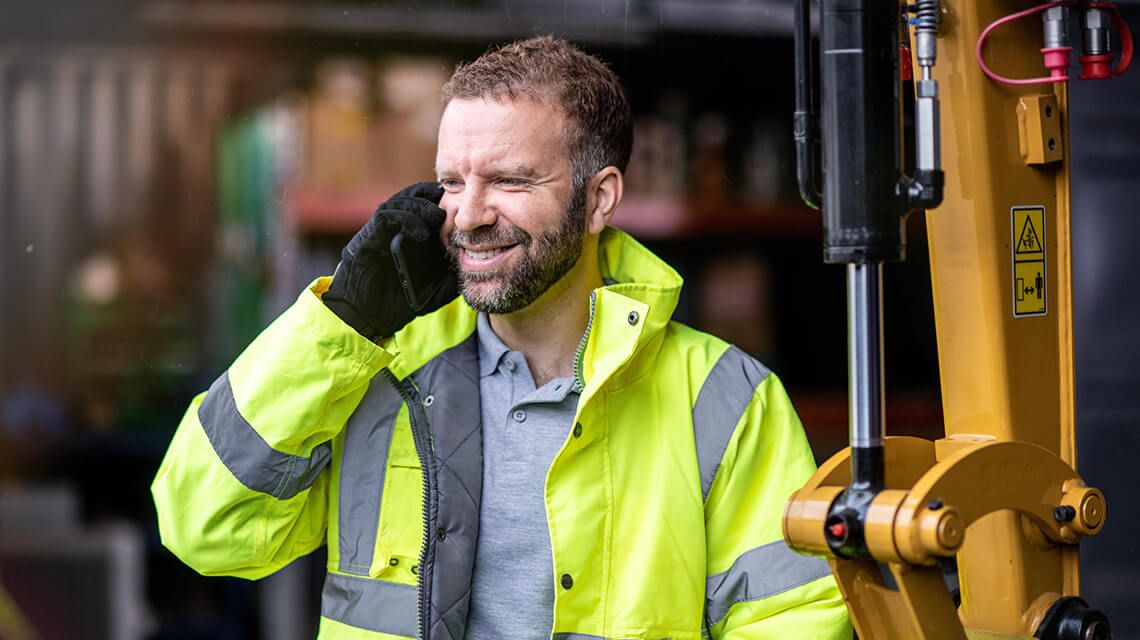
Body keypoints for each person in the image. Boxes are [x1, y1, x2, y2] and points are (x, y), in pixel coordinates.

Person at [152, 36, 852, 640]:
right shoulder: (377, 371)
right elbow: (204, 526)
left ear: (598, 198)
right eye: (452, 181)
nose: (468, 215)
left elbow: (794, 619)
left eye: (510, 180)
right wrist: (341, 324)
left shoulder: (724, 398)